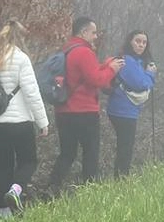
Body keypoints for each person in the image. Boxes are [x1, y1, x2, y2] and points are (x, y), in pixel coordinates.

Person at [0, 21, 49, 217]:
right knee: (28, 161)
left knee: (1, 167)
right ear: (18, 38)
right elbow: (32, 92)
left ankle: (4, 213)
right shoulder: (21, 58)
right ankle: (15, 190)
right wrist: (42, 122)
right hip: (20, 122)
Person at [51, 17, 123, 193]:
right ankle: (89, 191)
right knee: (90, 152)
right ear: (83, 32)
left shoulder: (66, 50)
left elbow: (85, 74)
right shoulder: (84, 52)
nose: (96, 36)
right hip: (84, 111)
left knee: (67, 153)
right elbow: (97, 80)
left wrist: (105, 65)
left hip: (63, 110)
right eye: (93, 32)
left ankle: (52, 186)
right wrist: (112, 69)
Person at [105, 30, 156, 177]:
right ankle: (121, 179)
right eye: (137, 41)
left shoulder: (137, 61)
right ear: (130, 42)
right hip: (122, 109)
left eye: (144, 42)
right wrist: (150, 74)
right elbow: (141, 84)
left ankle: (122, 177)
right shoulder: (127, 61)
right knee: (125, 147)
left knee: (126, 146)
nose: (141, 45)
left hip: (127, 109)